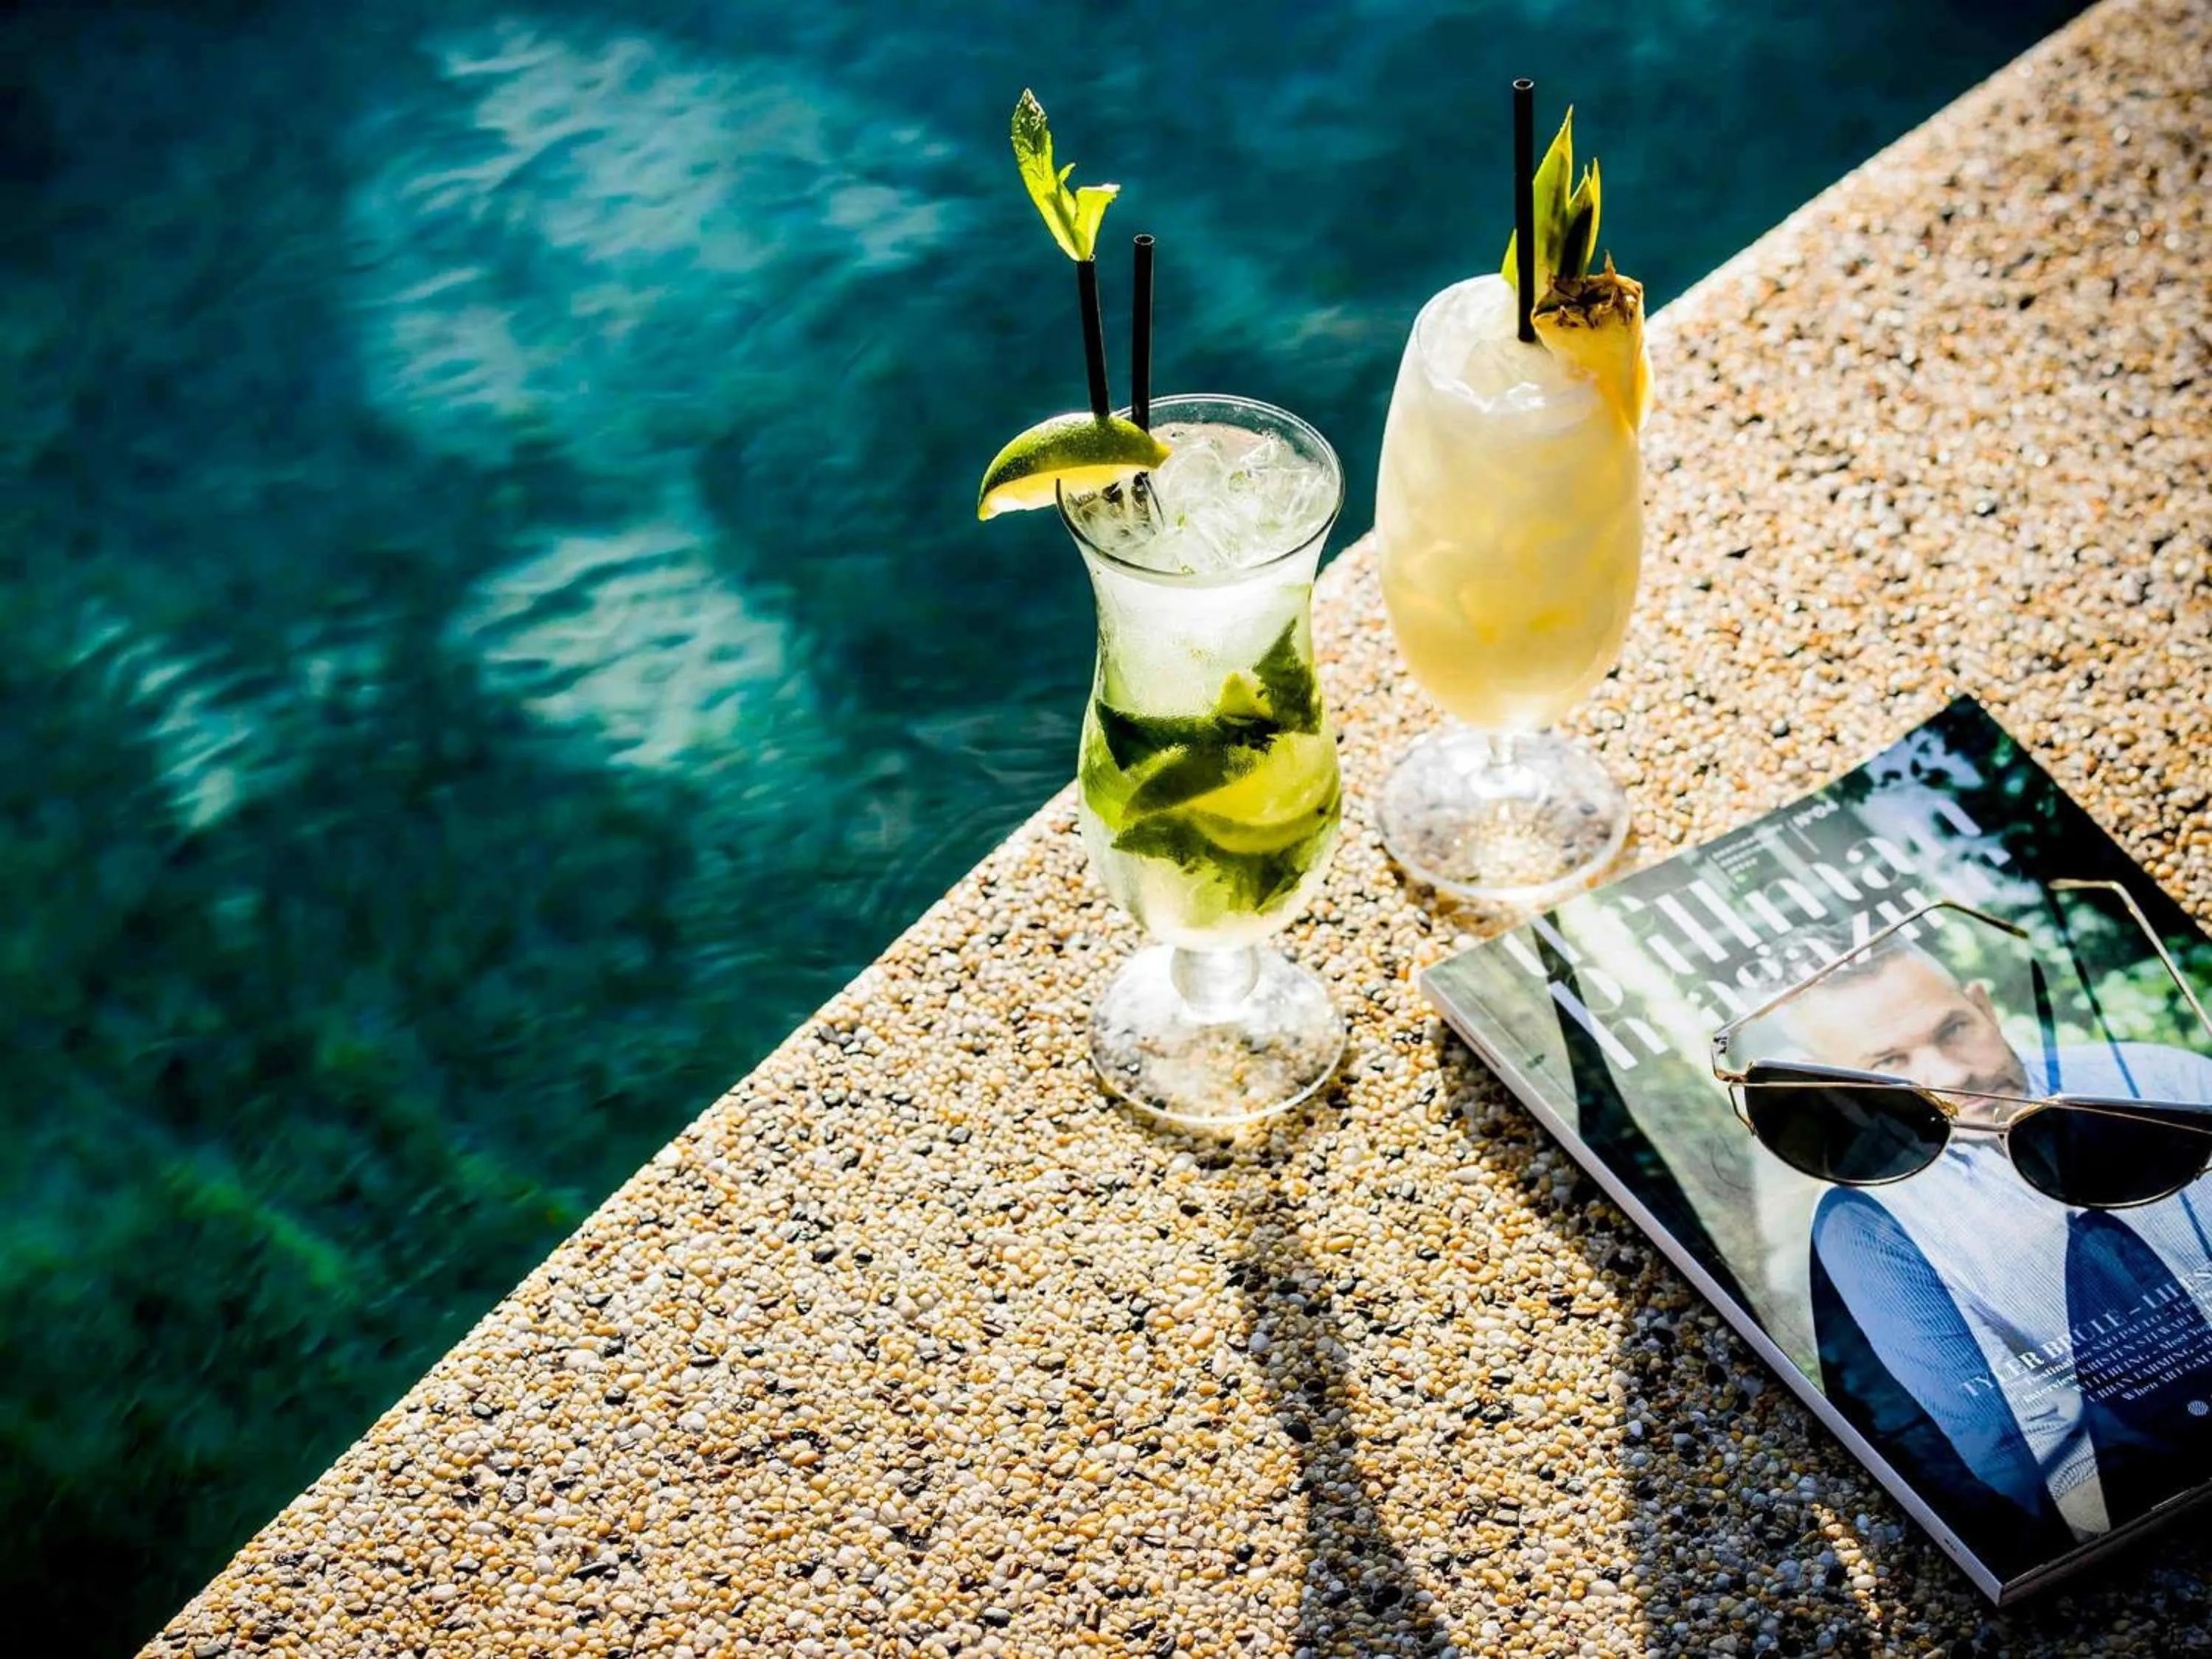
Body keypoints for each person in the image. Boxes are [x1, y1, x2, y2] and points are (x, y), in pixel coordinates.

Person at [1768, 931, 2212, 1568]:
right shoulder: (1865, 1223)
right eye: (1891, 1062)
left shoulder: (2163, 1079)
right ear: (1852, 1086)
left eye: (1954, 1028)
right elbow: (2009, 1451)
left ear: (1984, 1004)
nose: (1950, 1073)